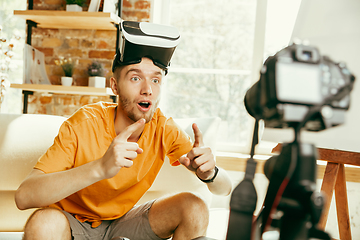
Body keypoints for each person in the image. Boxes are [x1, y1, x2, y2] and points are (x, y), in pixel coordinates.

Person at [15, 22, 232, 240]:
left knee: (195, 208)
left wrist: (210, 173)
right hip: (71, 224)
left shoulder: (163, 128)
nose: (147, 89)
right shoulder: (84, 124)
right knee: (44, 223)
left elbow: (225, 189)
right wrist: (100, 168)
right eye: (135, 78)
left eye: (155, 79)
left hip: (122, 224)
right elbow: (24, 196)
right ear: (115, 86)